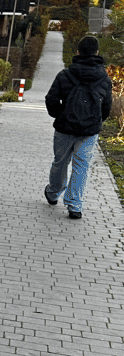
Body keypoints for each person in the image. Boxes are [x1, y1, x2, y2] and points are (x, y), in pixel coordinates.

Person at [44, 35, 113, 219]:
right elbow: (106, 106)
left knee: (60, 162)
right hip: (89, 132)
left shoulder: (65, 74)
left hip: (64, 129)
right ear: (97, 53)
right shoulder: (104, 79)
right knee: (81, 166)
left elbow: (51, 99)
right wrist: (96, 121)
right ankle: (75, 205)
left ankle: (53, 192)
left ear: (78, 52)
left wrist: (60, 115)